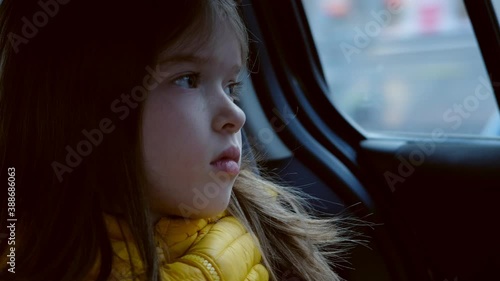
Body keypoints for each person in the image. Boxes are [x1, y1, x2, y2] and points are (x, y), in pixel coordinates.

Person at [0, 0, 355, 280]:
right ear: (82, 109)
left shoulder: (273, 239)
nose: (237, 115)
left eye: (232, 87)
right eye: (188, 79)